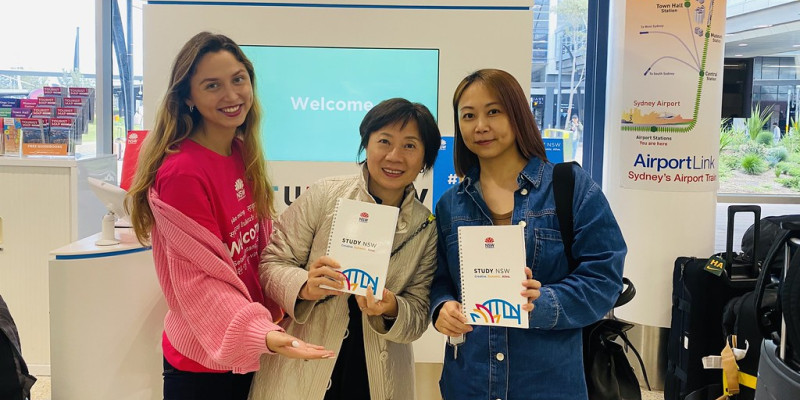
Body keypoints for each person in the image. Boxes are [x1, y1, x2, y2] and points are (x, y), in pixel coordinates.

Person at [125, 32, 332, 400]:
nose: (232, 95)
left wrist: (299, 282)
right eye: (212, 85)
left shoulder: (240, 150)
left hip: (250, 346)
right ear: (187, 97)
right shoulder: (182, 172)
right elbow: (201, 282)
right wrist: (262, 333)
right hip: (204, 363)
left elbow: (258, 248)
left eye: (238, 79)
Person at [429, 69, 626, 399]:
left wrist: (544, 301)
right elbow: (439, 279)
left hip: (548, 383)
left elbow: (604, 278)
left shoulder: (570, 188)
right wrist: (442, 307)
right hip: (470, 382)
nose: (480, 126)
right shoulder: (451, 205)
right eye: (468, 115)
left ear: (517, 114)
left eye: (494, 111)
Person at [249, 98, 441, 400]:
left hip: (380, 376)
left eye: (410, 146)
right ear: (366, 145)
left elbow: (418, 314)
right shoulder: (326, 194)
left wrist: (391, 307)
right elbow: (272, 263)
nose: (394, 156)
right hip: (303, 368)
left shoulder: (426, 227)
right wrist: (304, 286)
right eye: (384, 141)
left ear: (425, 159)